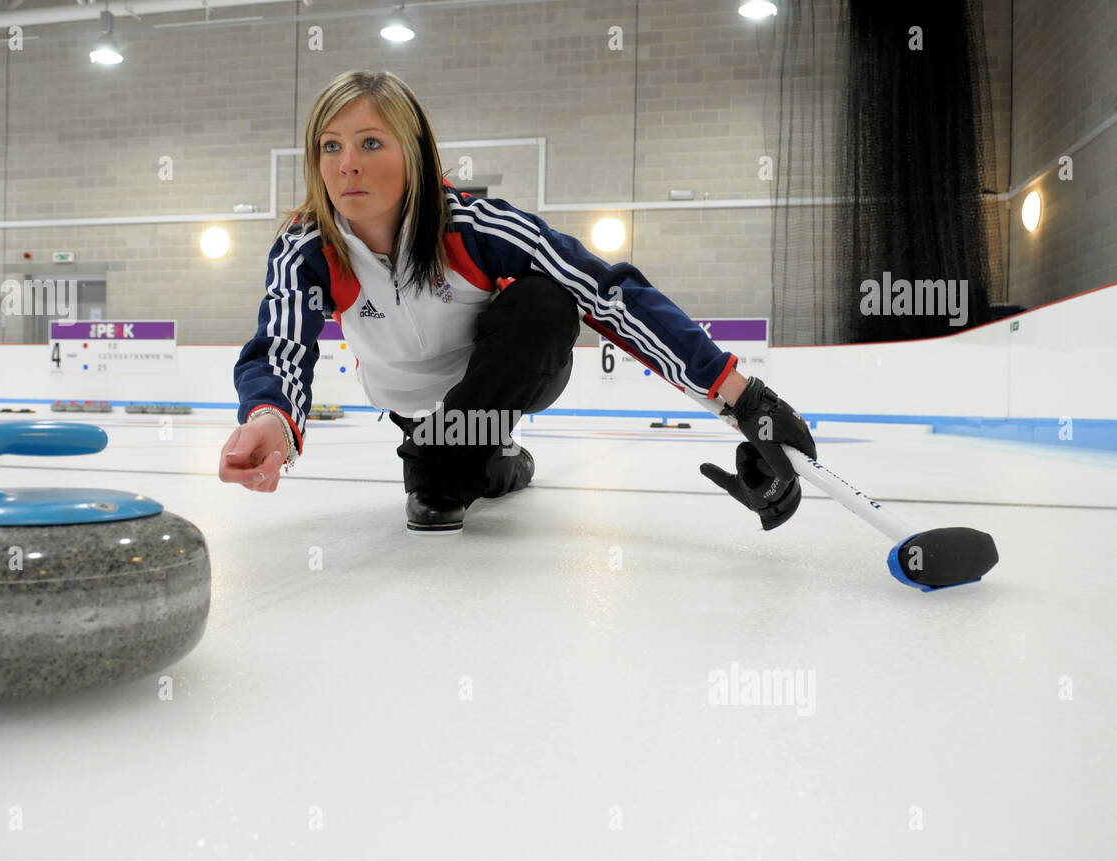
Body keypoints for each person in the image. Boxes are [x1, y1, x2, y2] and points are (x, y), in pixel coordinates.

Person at [221, 69, 817, 534]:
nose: (346, 164)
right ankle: (494, 462)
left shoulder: (474, 223)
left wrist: (745, 401)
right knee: (480, 465)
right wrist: (271, 420)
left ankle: (438, 469)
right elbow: (280, 345)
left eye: (370, 142)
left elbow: (605, 293)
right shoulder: (306, 245)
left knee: (546, 300)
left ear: (415, 153)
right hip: (412, 407)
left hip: (509, 380)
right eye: (329, 146)